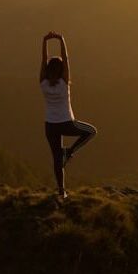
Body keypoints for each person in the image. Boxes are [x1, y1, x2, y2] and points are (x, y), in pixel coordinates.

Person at [40, 32, 97, 199]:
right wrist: (61, 39)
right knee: (91, 132)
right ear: (61, 70)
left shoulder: (43, 83)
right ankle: (70, 152)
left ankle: (61, 191)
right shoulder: (64, 83)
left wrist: (44, 41)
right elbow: (67, 59)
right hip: (66, 123)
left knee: (57, 159)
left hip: (50, 126)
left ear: (48, 69)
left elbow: (43, 61)